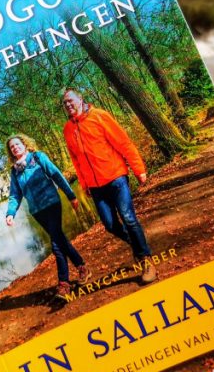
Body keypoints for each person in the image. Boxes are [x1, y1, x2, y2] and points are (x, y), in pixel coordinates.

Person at [60, 88, 158, 284]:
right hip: (96, 187)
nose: (68, 105)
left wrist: (138, 168)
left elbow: (123, 142)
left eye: (71, 100)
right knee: (110, 225)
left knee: (129, 218)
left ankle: (146, 259)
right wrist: (85, 183)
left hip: (116, 177)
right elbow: (76, 160)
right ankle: (138, 244)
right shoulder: (68, 129)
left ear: (80, 99)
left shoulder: (99, 116)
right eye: (65, 103)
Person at [4, 134, 90, 300]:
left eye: (17, 144)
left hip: (51, 204)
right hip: (37, 211)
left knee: (56, 244)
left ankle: (64, 283)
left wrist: (71, 195)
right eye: (12, 147)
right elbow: (15, 194)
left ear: (24, 144)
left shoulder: (37, 157)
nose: (15, 147)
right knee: (60, 239)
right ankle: (82, 267)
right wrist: (10, 213)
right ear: (11, 152)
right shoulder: (15, 172)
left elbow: (56, 175)